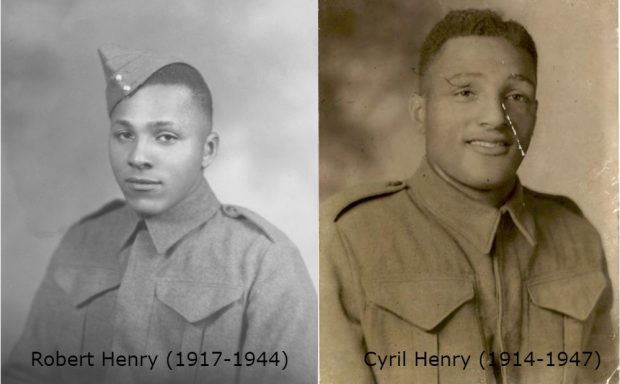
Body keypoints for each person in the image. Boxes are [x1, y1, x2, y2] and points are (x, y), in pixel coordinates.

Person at [320, 9, 616, 384]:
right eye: (465, 92)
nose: (495, 116)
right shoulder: (348, 240)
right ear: (420, 113)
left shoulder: (578, 239)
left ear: (535, 114)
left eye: (517, 96)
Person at [4, 45, 317, 384]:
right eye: (124, 135)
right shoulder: (82, 241)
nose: (138, 156)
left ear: (207, 150)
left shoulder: (264, 262)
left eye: (165, 137)